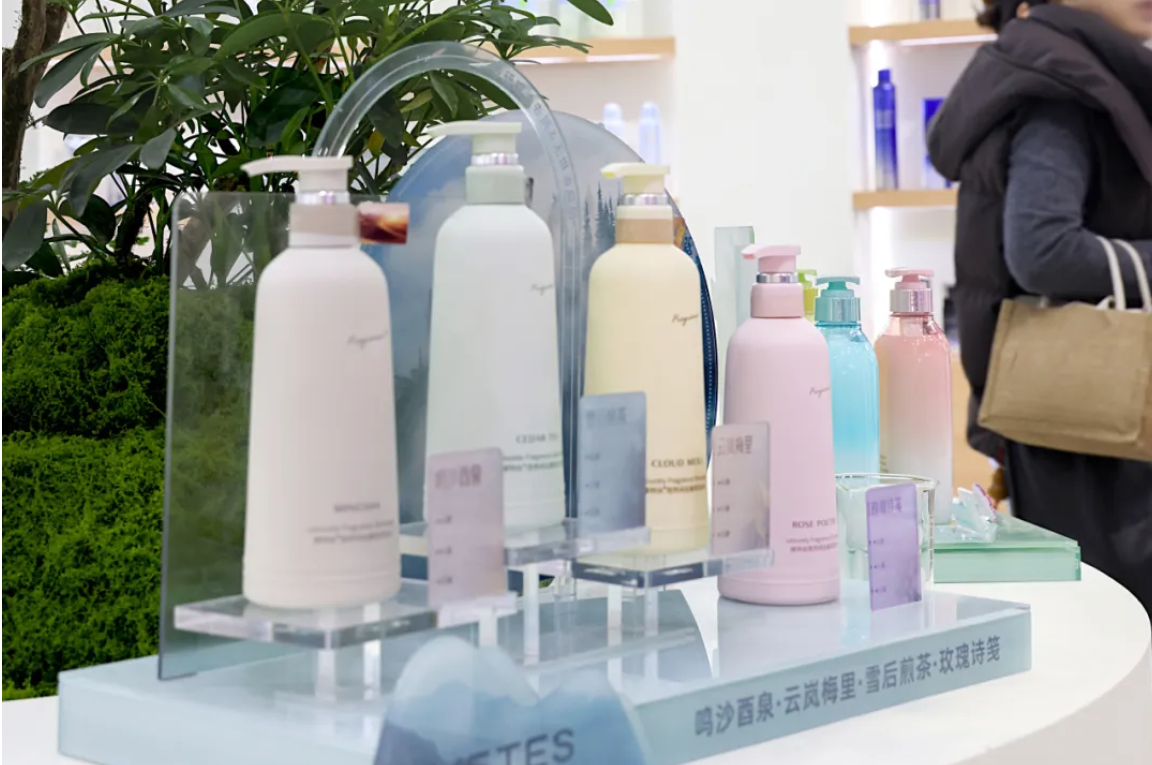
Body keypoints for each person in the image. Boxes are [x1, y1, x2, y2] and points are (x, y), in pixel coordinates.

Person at [928, 0, 1152, 617]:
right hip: (1090, 422)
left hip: (1084, 417)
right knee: (1115, 626)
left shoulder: (1069, 71)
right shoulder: (1060, 88)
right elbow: (1041, 250)